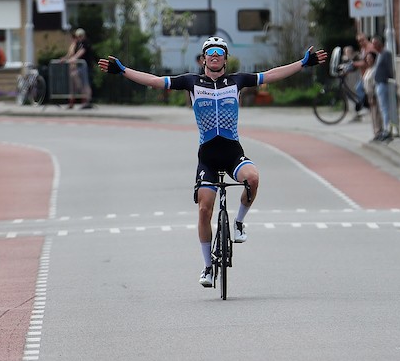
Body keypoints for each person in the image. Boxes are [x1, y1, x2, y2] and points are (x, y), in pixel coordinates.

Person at [98, 36, 327, 287]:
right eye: (210, 52)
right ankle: (207, 267)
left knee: (253, 178)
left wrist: (303, 63)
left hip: (232, 153)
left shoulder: (237, 81)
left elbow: (271, 75)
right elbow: (154, 81)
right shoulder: (191, 82)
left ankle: (238, 223)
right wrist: (122, 70)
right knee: (205, 208)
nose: (215, 56)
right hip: (207, 156)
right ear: (203, 59)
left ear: (225, 59)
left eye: (219, 52)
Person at [372, 35, 394, 141]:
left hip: (383, 84)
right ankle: (385, 128)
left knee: (385, 108)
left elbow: (390, 68)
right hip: (378, 83)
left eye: (375, 44)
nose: (373, 46)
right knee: (382, 108)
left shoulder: (386, 54)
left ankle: (387, 129)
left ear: (380, 44)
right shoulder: (379, 54)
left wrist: (391, 79)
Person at [67, 28, 94, 109]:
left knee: (85, 84)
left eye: (80, 36)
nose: (79, 38)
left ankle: (87, 101)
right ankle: (83, 99)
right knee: (77, 80)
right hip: (81, 66)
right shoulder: (79, 43)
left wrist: (74, 58)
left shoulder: (85, 42)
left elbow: (81, 51)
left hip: (86, 66)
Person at [351, 33, 377, 118]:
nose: (361, 42)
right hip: (364, 75)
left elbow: (367, 62)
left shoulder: (370, 48)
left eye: (362, 40)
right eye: (359, 41)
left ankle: (366, 107)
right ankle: (367, 106)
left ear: (366, 39)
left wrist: (355, 64)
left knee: (360, 88)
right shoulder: (363, 49)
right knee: (361, 89)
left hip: (370, 74)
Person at [362, 51, 382, 141]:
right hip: (368, 94)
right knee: (372, 114)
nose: (368, 60)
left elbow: (374, 83)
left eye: (370, 58)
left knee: (376, 113)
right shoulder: (368, 69)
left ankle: (379, 132)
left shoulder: (375, 70)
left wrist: (373, 96)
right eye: (367, 58)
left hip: (374, 94)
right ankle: (375, 132)